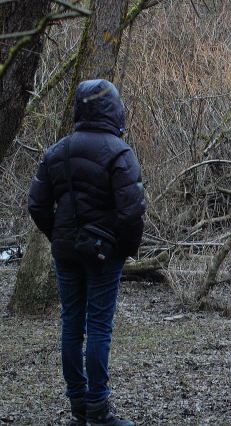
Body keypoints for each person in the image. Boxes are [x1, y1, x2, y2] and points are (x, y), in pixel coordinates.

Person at [28, 79, 146, 426]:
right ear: (113, 109)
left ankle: (78, 407)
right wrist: (122, 249)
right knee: (98, 327)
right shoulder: (119, 152)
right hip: (103, 254)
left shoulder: (57, 150)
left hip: (66, 252)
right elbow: (132, 211)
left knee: (71, 326)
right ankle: (97, 408)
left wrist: (59, 236)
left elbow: (37, 204)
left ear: (80, 108)